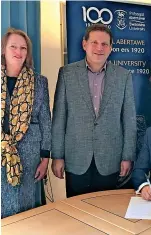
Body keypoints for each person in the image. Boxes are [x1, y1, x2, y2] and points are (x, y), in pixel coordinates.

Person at [51, 24, 136, 197]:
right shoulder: (67, 74)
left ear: (111, 48)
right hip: (76, 159)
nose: (99, 48)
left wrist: (128, 156)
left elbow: (129, 119)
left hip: (110, 158)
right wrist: (57, 156)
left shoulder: (123, 76)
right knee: (77, 214)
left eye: (105, 44)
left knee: (107, 213)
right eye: (94, 42)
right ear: (84, 44)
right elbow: (59, 118)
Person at [1, 28, 51, 218]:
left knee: (26, 208)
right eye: (13, 46)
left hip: (30, 156)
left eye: (23, 48)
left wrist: (46, 159)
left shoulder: (39, 82)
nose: (18, 51)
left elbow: (46, 120)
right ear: (3, 49)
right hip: (1, 152)